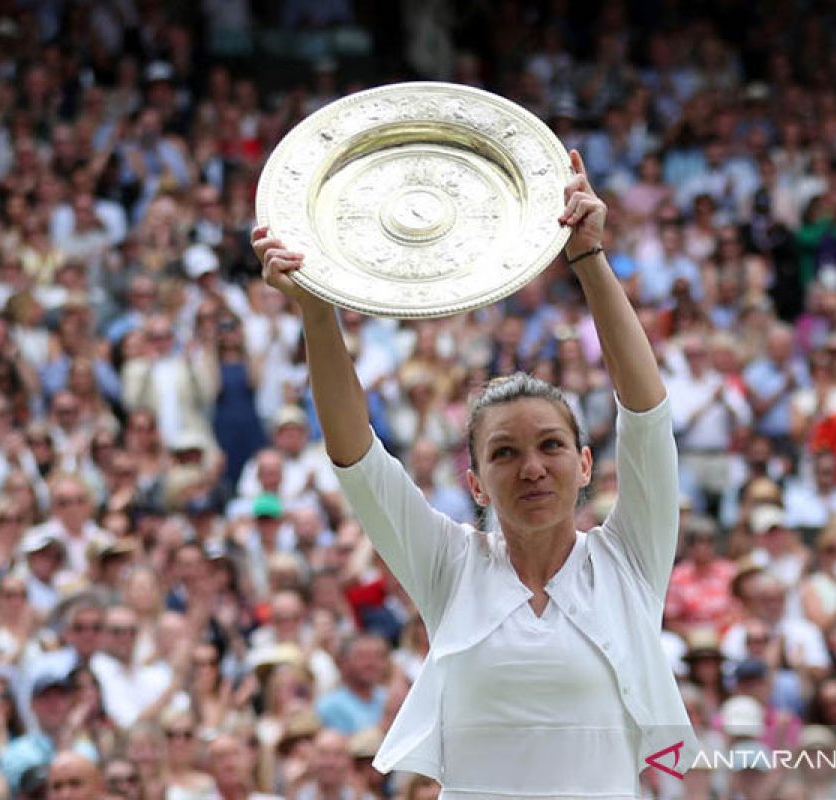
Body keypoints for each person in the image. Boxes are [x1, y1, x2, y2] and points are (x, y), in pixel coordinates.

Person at [252, 148, 698, 796]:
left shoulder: (630, 561)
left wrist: (589, 259)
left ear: (584, 464)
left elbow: (648, 417)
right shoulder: (450, 567)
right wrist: (317, 310)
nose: (533, 468)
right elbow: (356, 456)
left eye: (550, 445)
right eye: (505, 453)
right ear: (476, 483)